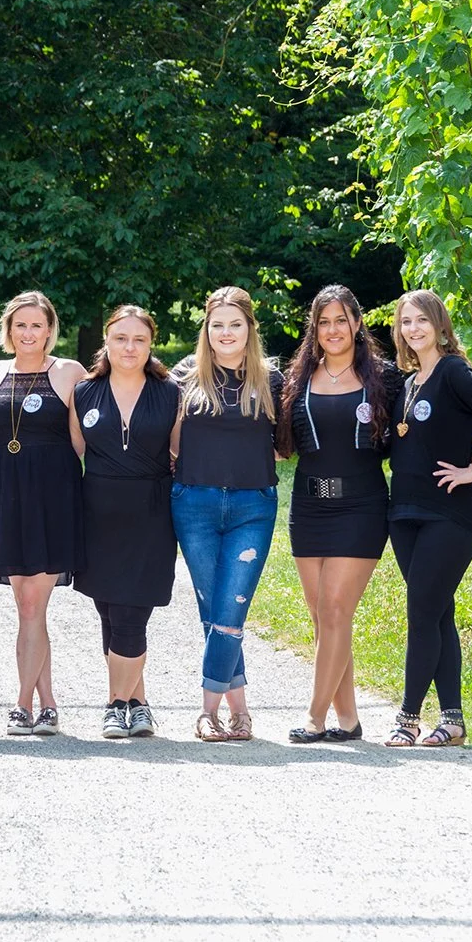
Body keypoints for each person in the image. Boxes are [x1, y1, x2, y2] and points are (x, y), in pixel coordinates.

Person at [384, 289, 472, 748]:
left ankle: (407, 718)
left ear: (440, 325)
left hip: (449, 513)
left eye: (421, 320)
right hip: (404, 513)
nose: (413, 329)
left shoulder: (454, 371)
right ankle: (453, 720)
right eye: (405, 322)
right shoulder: (408, 382)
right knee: (437, 612)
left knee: (422, 610)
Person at [279, 285, 401, 745]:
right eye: (323, 322)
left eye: (340, 320)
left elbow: (420, 429)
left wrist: (470, 464)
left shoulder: (385, 379)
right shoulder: (296, 378)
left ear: (356, 324)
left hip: (361, 506)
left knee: (334, 609)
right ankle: (348, 720)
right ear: (315, 329)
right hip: (309, 507)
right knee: (325, 618)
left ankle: (314, 717)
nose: (333, 330)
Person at [170, 286, 284, 743]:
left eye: (235, 324)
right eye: (217, 324)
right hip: (194, 503)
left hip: (252, 507)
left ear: (249, 328)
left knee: (231, 610)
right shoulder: (185, 376)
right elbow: (168, 437)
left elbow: (293, 438)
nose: (226, 332)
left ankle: (207, 711)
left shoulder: (272, 378)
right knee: (212, 609)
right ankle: (240, 713)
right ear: (207, 328)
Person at [69, 305, 181, 739]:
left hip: (151, 516)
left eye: (139, 339)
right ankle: (139, 703)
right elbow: (76, 451)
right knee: (110, 614)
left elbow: (179, 451)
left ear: (150, 344)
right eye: (120, 338)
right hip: (97, 515)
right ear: (107, 342)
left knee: (132, 615)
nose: (129, 347)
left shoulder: (170, 392)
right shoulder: (84, 392)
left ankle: (114, 705)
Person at [0, 290, 86, 736]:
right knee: (28, 608)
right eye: (20, 325)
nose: (28, 333)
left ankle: (22, 705)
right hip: (9, 494)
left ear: (50, 329)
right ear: (9, 330)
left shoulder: (67, 372)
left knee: (31, 604)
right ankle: (48, 704)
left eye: (37, 325)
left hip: (53, 495)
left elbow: (82, 441)